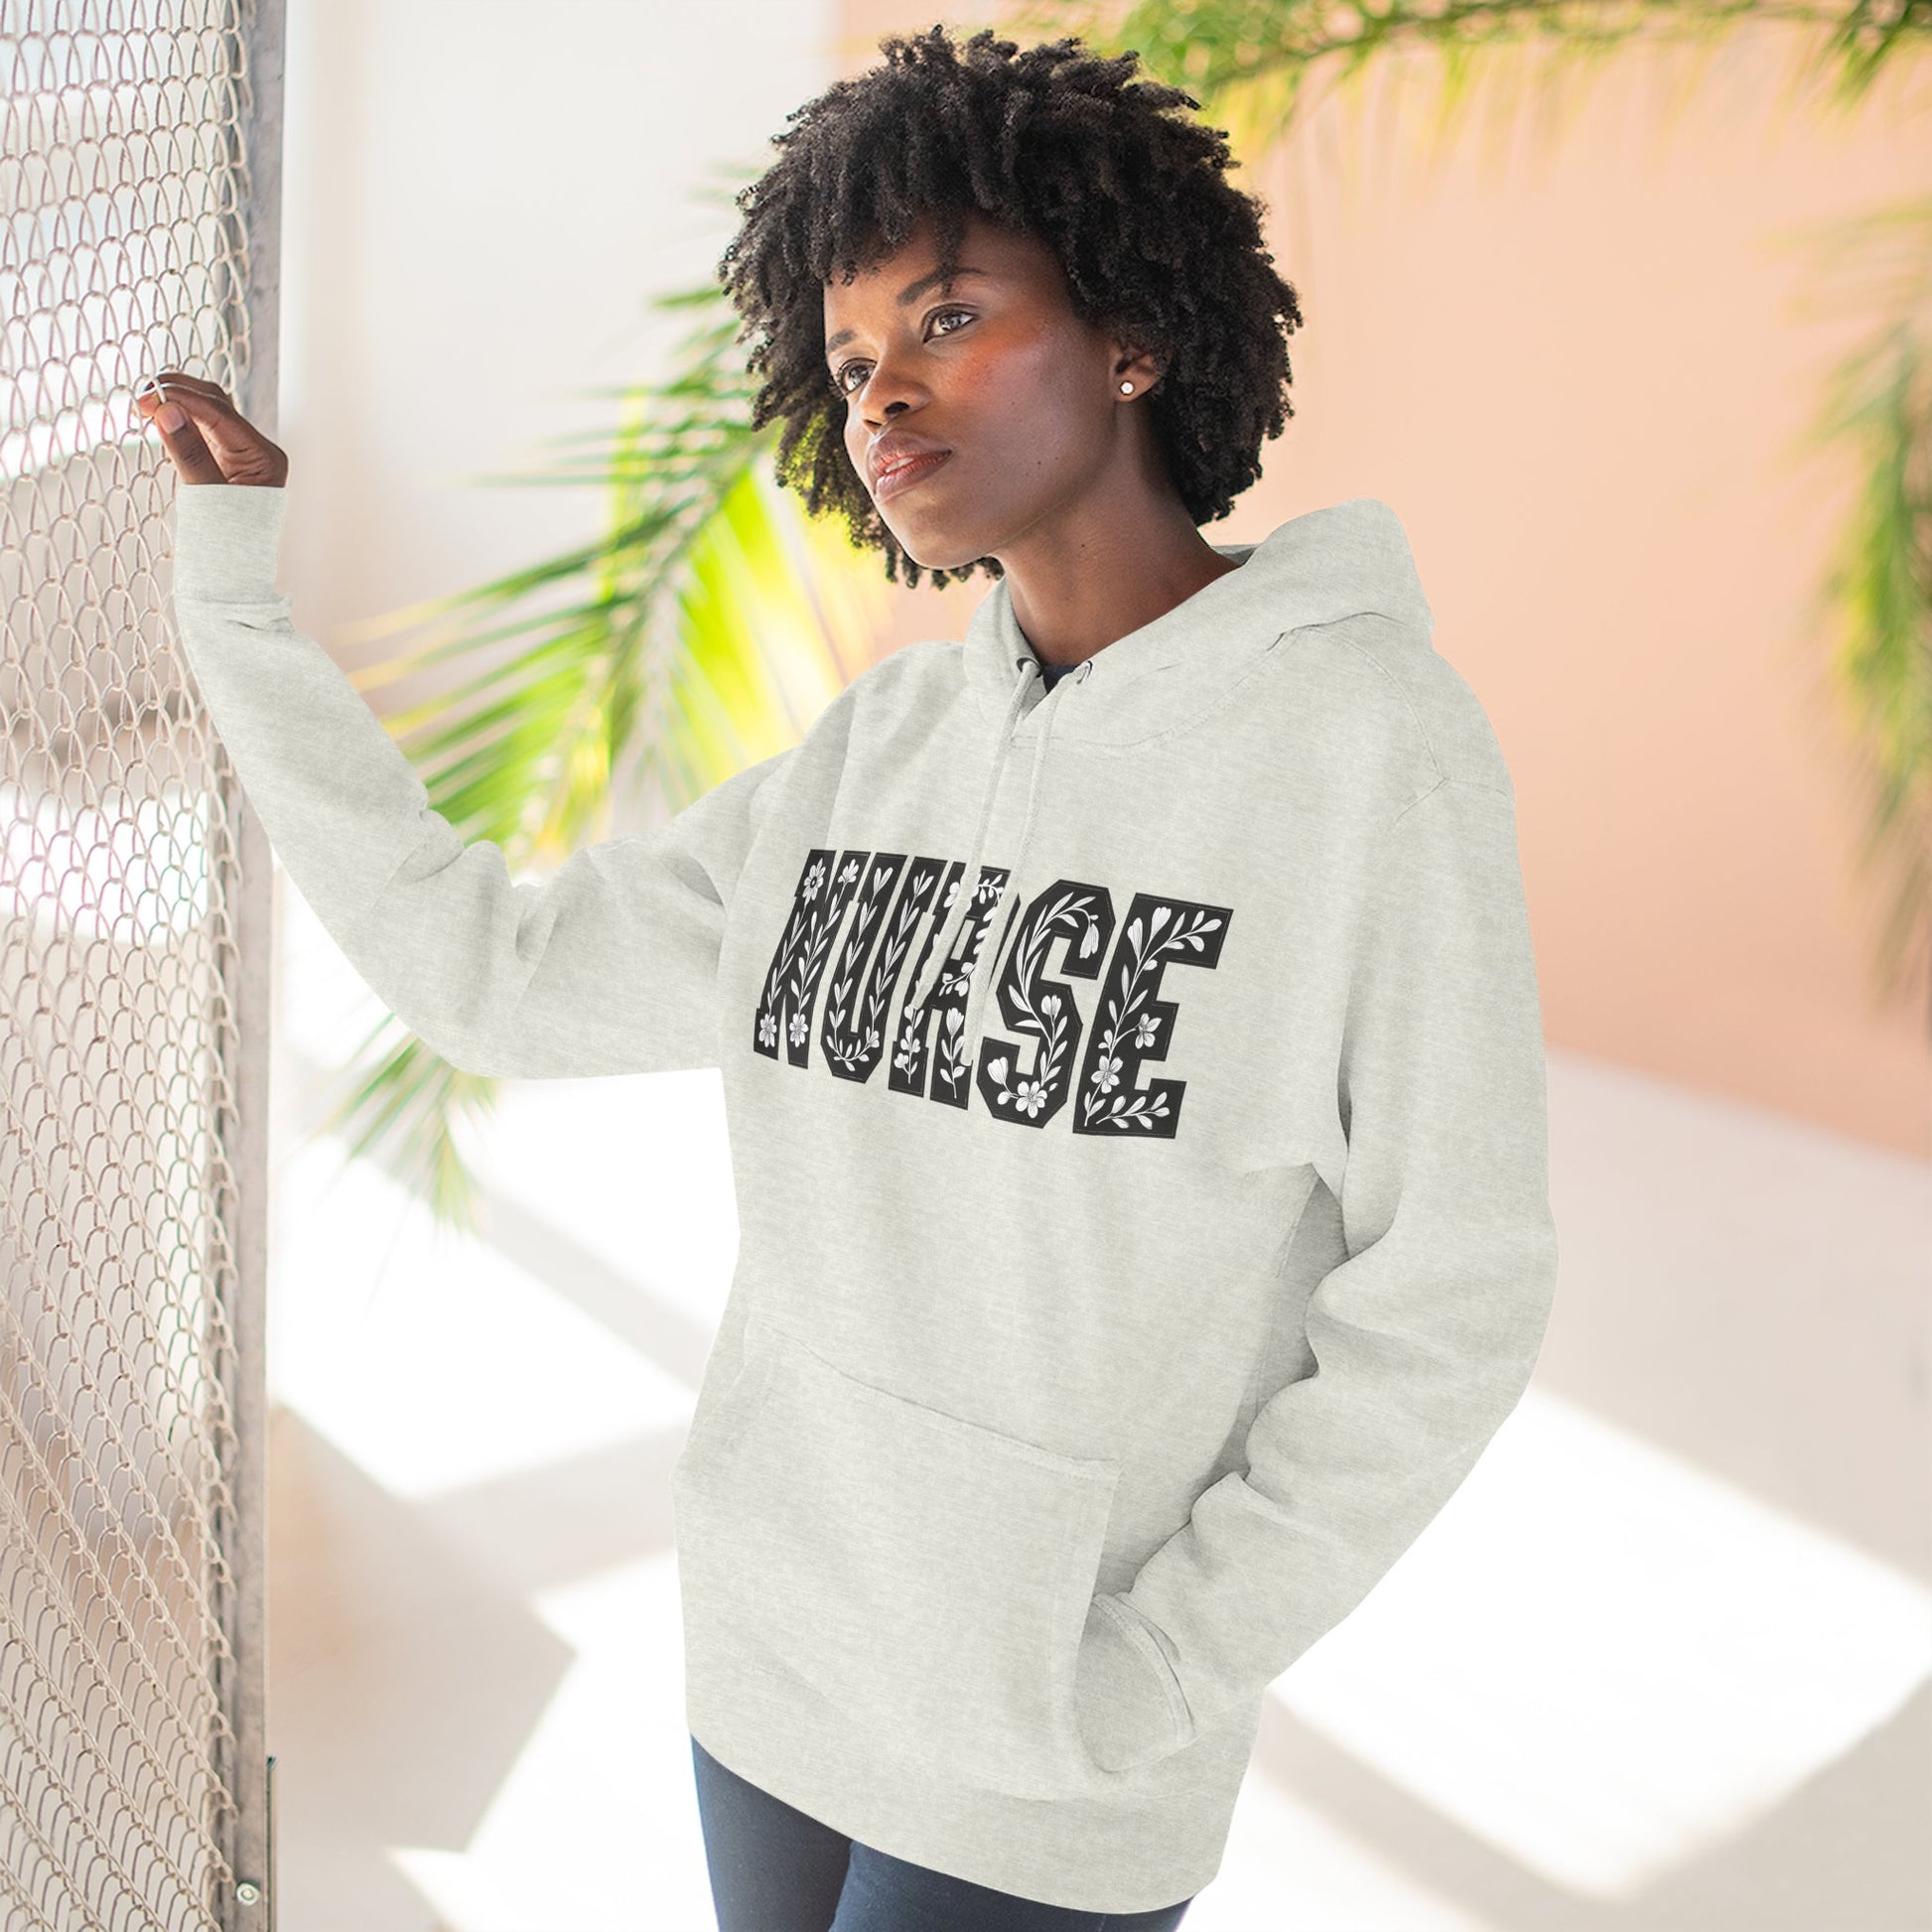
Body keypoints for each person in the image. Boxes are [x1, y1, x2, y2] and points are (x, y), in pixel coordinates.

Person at [147, 24, 1560, 1932]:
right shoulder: (874, 751)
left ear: (1133, 330)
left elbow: (1452, 1284)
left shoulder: (1362, 749)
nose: (883, 391)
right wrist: (240, 608)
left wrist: (1156, 1667)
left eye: (949, 317)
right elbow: (496, 977)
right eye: (847, 357)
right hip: (774, 1653)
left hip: (1052, 1745)